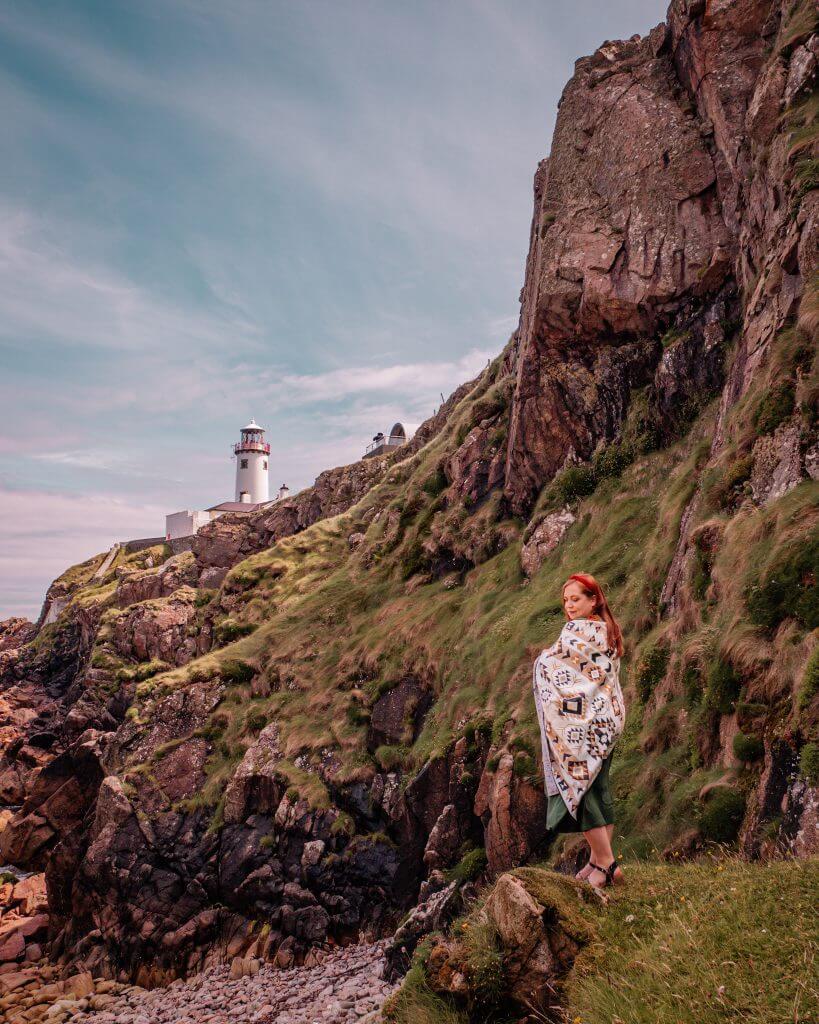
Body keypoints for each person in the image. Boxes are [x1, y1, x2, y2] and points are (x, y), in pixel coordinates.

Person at [532, 572, 626, 889]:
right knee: (599, 790)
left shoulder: (580, 633)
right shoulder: (608, 631)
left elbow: (564, 675)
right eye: (566, 601)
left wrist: (543, 660)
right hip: (607, 722)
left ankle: (608, 866)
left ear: (593, 599)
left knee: (582, 792)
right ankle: (596, 860)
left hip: (586, 728)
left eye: (576, 599)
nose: (570, 606)